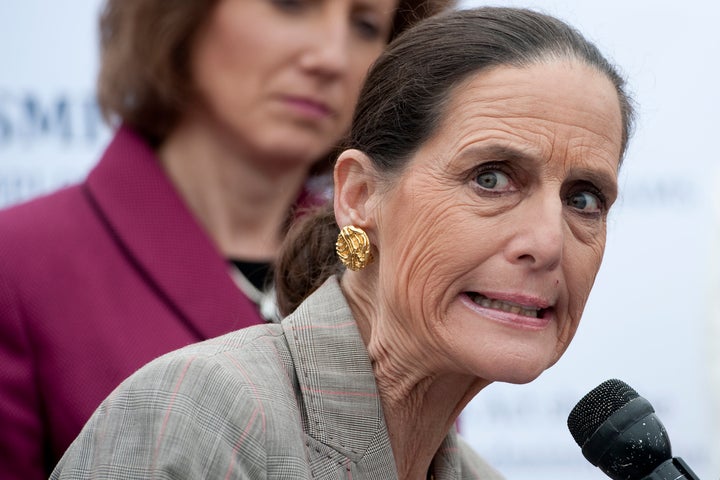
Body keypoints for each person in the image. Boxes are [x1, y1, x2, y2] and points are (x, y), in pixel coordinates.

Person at [50, 6, 635, 479]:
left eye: (584, 199)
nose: (548, 243)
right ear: (358, 195)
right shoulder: (199, 419)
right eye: (491, 177)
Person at [0, 0, 453, 478]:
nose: (331, 57)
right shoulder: (19, 262)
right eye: (292, 5)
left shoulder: (397, 259)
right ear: (182, 15)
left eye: (365, 25)